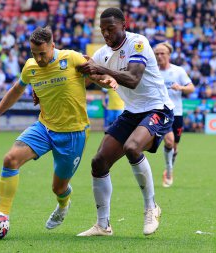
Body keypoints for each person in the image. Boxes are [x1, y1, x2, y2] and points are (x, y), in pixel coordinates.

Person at [0, 27, 117, 231]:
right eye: (33, 53)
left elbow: (97, 75)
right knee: (10, 159)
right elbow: (16, 90)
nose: (38, 58)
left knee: (58, 187)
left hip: (73, 133)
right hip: (44, 127)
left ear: (52, 46)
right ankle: (2, 216)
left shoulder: (71, 58)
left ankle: (63, 204)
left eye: (42, 53)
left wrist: (107, 81)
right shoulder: (30, 67)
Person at [76, 8, 175, 236]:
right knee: (99, 162)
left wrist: (101, 69)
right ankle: (103, 225)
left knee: (132, 147)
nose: (107, 34)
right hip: (132, 112)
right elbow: (94, 77)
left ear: (124, 25)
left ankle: (151, 207)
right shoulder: (103, 53)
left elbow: (132, 79)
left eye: (111, 29)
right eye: (103, 31)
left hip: (158, 108)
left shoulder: (138, 43)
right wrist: (97, 77)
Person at [154, 42, 195, 187]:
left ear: (169, 55)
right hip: (160, 112)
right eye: (157, 54)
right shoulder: (153, 71)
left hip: (177, 112)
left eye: (162, 53)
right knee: (169, 141)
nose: (159, 56)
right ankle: (169, 171)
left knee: (174, 146)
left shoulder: (178, 71)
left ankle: (169, 166)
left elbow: (191, 88)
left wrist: (181, 87)